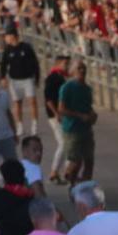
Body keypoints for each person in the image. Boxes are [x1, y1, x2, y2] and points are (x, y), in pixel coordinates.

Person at [58, 61, 96, 183]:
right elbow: (61, 109)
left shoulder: (87, 89)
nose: (82, 71)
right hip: (72, 130)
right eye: (79, 68)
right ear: (72, 71)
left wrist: (92, 114)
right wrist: (80, 116)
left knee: (89, 161)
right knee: (76, 161)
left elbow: (88, 107)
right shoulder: (67, 87)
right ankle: (71, 179)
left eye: (84, 68)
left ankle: (85, 186)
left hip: (86, 129)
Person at [0, 29, 41, 134]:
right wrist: (3, 77)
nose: (6, 38)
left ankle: (34, 125)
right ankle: (19, 125)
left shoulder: (26, 47)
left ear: (13, 36)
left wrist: (37, 78)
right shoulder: (7, 50)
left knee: (32, 101)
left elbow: (35, 63)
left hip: (28, 79)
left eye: (7, 35)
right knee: (17, 103)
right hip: (14, 80)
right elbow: (3, 65)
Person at [42, 53, 70, 183]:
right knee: (63, 143)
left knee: (67, 143)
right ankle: (55, 171)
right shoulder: (53, 78)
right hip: (55, 115)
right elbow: (48, 99)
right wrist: (56, 113)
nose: (67, 66)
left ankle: (64, 172)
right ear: (58, 63)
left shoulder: (61, 77)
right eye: (65, 64)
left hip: (61, 114)